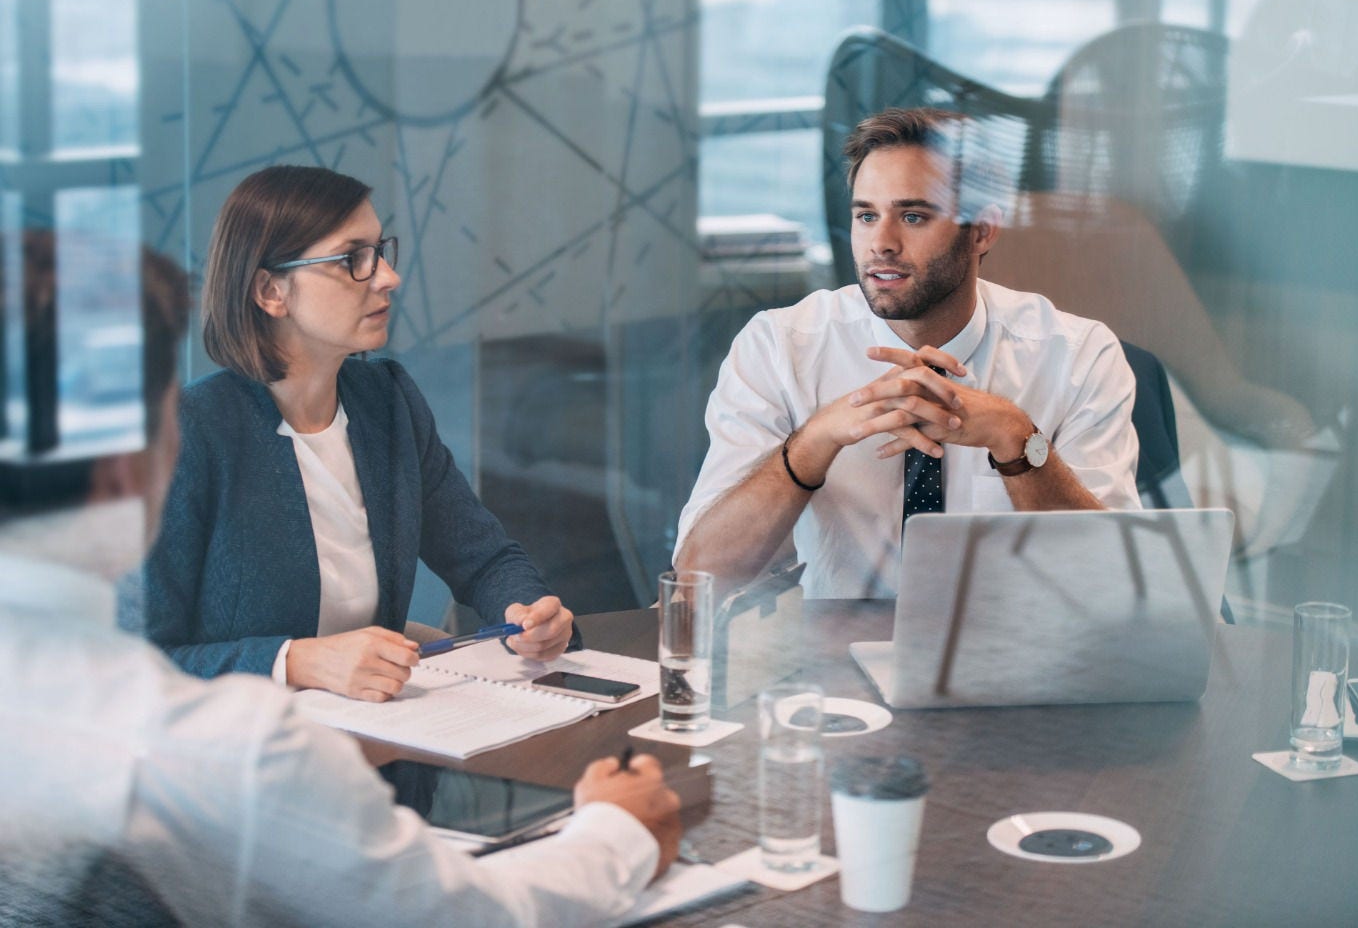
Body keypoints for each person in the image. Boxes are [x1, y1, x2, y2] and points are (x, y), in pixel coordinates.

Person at [2, 553, 682, 927]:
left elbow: (485, 552)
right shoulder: (231, 748)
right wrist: (616, 832)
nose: (385, 284)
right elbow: (462, 918)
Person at [145, 165, 575, 700]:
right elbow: (137, 659)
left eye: (380, 250)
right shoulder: (188, 432)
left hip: (383, 743)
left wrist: (528, 612)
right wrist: (296, 660)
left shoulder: (387, 401)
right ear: (270, 291)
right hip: (243, 761)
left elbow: (483, 558)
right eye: (353, 259)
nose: (388, 276)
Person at [675, 107, 1141, 598]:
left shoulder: (1078, 355)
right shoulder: (777, 348)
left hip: (1014, 658)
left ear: (982, 229)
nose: (881, 243)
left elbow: (1111, 583)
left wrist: (1017, 440)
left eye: (913, 216)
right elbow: (697, 579)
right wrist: (811, 444)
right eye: (866, 215)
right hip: (831, 659)